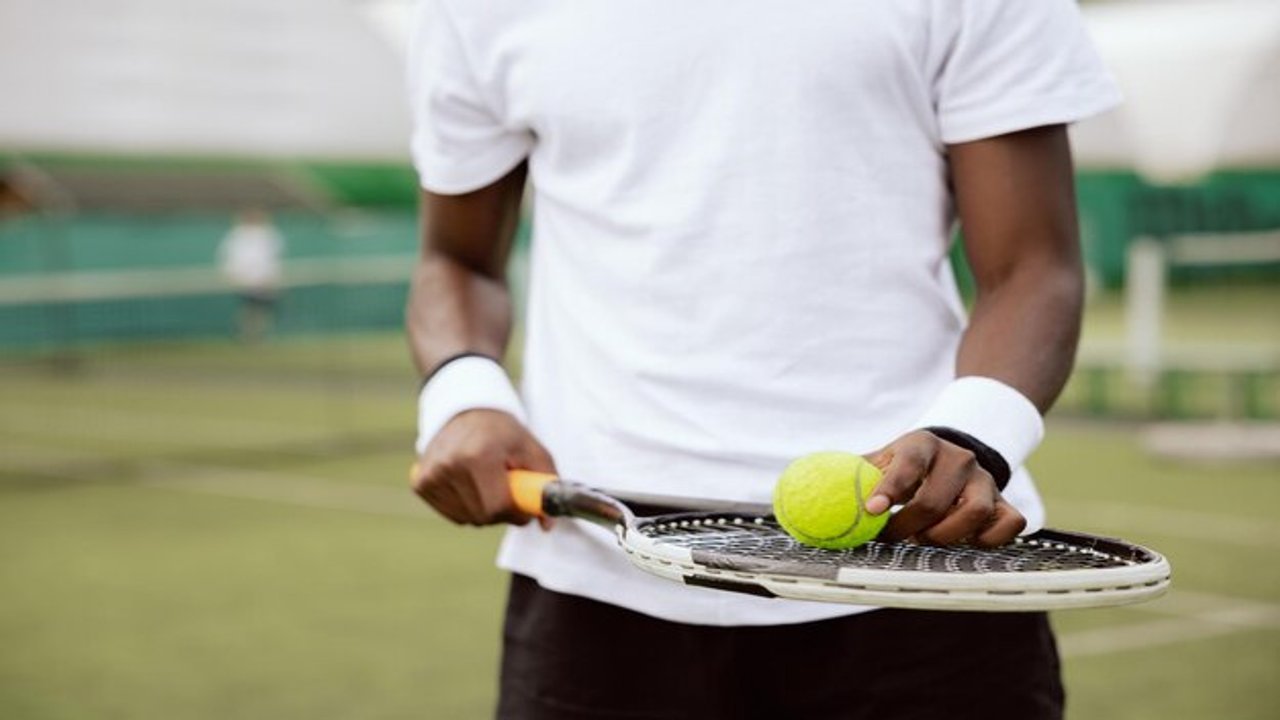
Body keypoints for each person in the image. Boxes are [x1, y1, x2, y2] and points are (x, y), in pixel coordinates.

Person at [404, 2, 1119, 718]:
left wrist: (973, 434)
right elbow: (456, 260)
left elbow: (1034, 266)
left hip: (925, 584)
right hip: (593, 592)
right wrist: (465, 396)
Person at [217, 208, 285, 343]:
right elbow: (228, 256)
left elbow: (273, 258)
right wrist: (233, 274)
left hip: (264, 279)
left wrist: (272, 276)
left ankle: (258, 336)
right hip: (244, 279)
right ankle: (246, 335)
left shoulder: (269, 234)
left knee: (262, 308)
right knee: (249, 307)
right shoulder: (236, 235)